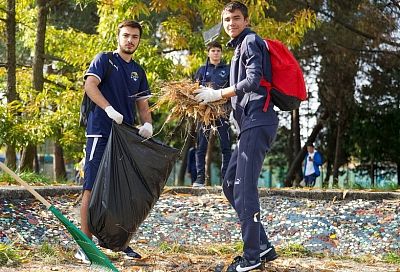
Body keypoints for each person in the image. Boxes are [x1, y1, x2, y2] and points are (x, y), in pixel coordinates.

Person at [194, 2, 278, 271]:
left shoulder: (251, 41)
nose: (232, 23)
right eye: (227, 19)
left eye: (237, 18)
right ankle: (262, 244)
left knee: (244, 188)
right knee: (230, 183)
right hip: (247, 126)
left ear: (246, 20)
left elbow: (253, 81)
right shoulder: (238, 46)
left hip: (258, 122)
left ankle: (251, 256)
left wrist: (218, 94)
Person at [75, 20, 153, 263]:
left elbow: (142, 103)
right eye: (126, 36)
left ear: (139, 41)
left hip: (125, 135)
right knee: (91, 185)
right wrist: (108, 109)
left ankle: (118, 243)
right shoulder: (105, 59)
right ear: (118, 37)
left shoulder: (138, 71)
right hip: (101, 130)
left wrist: (147, 123)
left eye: (135, 37)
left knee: (122, 190)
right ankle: (85, 247)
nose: (130, 40)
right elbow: (90, 85)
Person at [193, 41, 232, 187]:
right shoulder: (201, 70)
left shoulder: (228, 70)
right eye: (213, 51)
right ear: (208, 53)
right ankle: (200, 178)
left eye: (218, 51)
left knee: (226, 145)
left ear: (221, 53)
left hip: (223, 112)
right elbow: (194, 91)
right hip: (205, 113)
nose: (216, 53)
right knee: (201, 146)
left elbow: (232, 89)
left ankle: (226, 179)